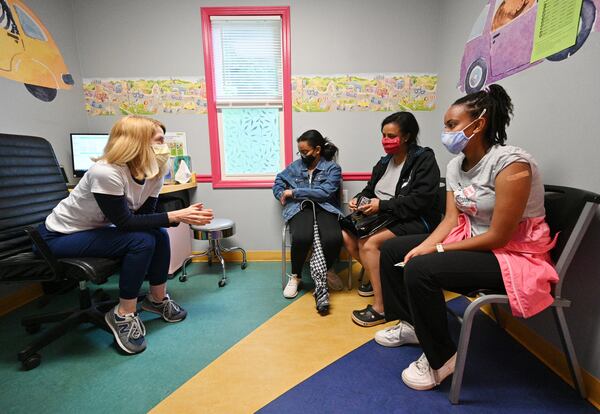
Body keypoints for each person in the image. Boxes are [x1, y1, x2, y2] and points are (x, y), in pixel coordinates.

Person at [376, 84, 558, 391]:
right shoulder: (454, 165)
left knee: (422, 268)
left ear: (479, 124)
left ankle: (442, 358)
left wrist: (438, 249)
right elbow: (451, 219)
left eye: (452, 125)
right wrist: (424, 245)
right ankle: (414, 325)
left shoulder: (512, 164)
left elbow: (500, 236)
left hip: (511, 255)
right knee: (394, 249)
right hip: (474, 242)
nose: (446, 132)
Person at [37, 115, 214, 355]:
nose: (165, 146)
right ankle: (123, 313)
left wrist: (171, 219)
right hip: (57, 237)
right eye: (159, 140)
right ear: (137, 142)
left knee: (157, 234)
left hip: (96, 231)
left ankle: (157, 299)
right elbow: (125, 222)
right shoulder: (106, 172)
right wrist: (176, 216)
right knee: (140, 240)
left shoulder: (155, 171)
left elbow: (146, 218)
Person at [343, 112, 441, 327]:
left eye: (391, 135)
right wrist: (359, 199)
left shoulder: (423, 159)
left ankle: (382, 307)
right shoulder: (384, 162)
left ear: (406, 136)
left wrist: (382, 205)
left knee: (368, 244)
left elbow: (421, 201)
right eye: (383, 135)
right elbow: (370, 189)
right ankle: (379, 279)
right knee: (347, 235)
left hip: (417, 218)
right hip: (385, 215)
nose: (386, 141)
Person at [273, 130, 343, 308]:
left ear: (317, 149)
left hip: (325, 207)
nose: (302, 155)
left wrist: (294, 192)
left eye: (305, 151)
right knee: (301, 237)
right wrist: (281, 192)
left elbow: (325, 193)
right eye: (300, 152)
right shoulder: (295, 167)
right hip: (301, 207)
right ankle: (296, 276)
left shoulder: (332, 168)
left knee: (334, 237)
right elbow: (279, 180)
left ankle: (326, 269)